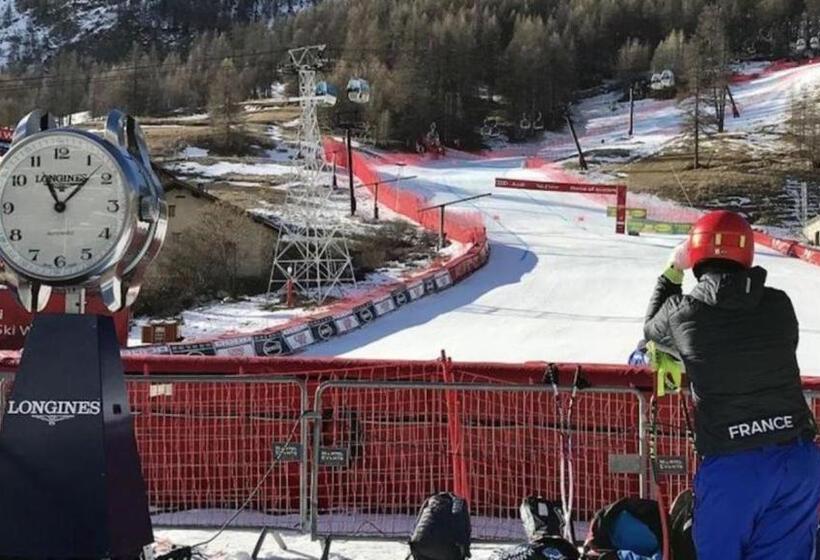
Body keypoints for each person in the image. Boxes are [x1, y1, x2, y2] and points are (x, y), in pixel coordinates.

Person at [642, 210, 820, 559]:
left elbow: (651, 329)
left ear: (696, 253)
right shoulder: (779, 304)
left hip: (734, 468)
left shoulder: (682, 310)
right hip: (798, 461)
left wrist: (673, 271)